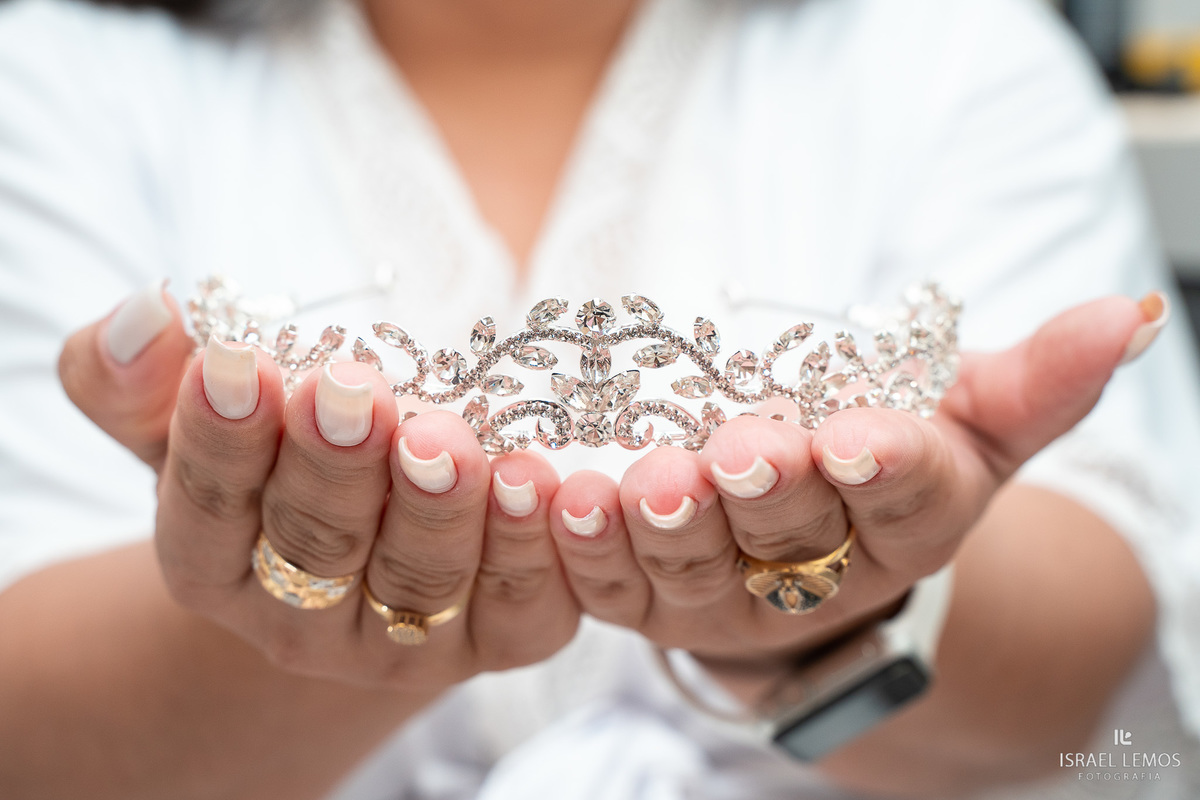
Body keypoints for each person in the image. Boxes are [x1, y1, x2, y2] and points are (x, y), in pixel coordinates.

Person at [0, 0, 1198, 798]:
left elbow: (1095, 679)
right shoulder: (51, 70)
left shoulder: (951, 44)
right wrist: (296, 605)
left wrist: (829, 615)